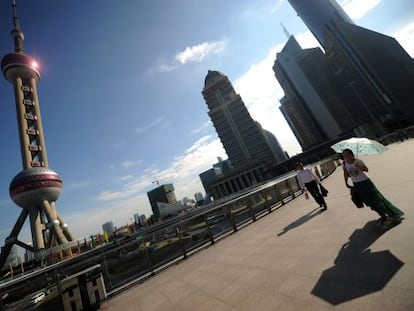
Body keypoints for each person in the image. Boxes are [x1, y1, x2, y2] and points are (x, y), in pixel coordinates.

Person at [342, 148, 404, 224]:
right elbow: (345, 174)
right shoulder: (344, 164)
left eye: (346, 154)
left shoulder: (358, 161)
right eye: (344, 155)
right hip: (357, 185)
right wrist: (346, 183)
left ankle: (393, 214)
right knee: (369, 201)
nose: (345, 156)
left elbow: (366, 169)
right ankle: (382, 216)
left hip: (366, 182)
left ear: (351, 154)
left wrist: (359, 166)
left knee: (377, 199)